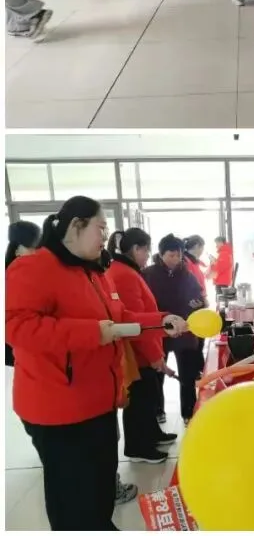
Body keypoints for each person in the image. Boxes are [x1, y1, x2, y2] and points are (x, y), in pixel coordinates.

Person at [5, 197, 187, 530]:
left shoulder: (94, 271)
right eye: (100, 228)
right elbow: (16, 327)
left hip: (100, 402)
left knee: (100, 489)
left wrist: (160, 320)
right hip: (59, 409)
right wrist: (93, 333)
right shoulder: (34, 268)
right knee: (74, 500)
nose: (106, 236)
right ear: (76, 225)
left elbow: (120, 318)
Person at [106, 228, 178, 464]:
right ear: (135, 249)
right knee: (140, 400)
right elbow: (136, 321)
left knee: (149, 397)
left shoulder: (126, 270)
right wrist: (155, 356)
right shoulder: (124, 274)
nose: (148, 255)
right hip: (139, 350)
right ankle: (138, 447)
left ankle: (152, 435)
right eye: (146, 250)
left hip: (144, 345)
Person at [142, 234, 207, 427]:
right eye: (171, 255)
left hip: (184, 330)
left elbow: (199, 299)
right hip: (159, 330)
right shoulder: (148, 274)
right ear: (161, 254)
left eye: (178, 255)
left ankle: (188, 412)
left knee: (187, 374)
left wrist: (195, 305)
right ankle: (158, 410)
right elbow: (143, 303)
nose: (176, 259)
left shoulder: (187, 274)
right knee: (157, 374)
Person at [5, 220, 40, 366]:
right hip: (13, 352)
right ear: (17, 250)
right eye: (32, 248)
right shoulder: (11, 278)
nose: (36, 253)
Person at [210, 235, 234, 300]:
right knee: (221, 300)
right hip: (222, 281)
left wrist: (213, 263)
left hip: (221, 281)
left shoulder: (224, 253)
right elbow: (221, 265)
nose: (216, 246)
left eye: (217, 243)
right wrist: (215, 261)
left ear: (221, 242)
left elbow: (219, 268)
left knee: (221, 301)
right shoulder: (225, 252)